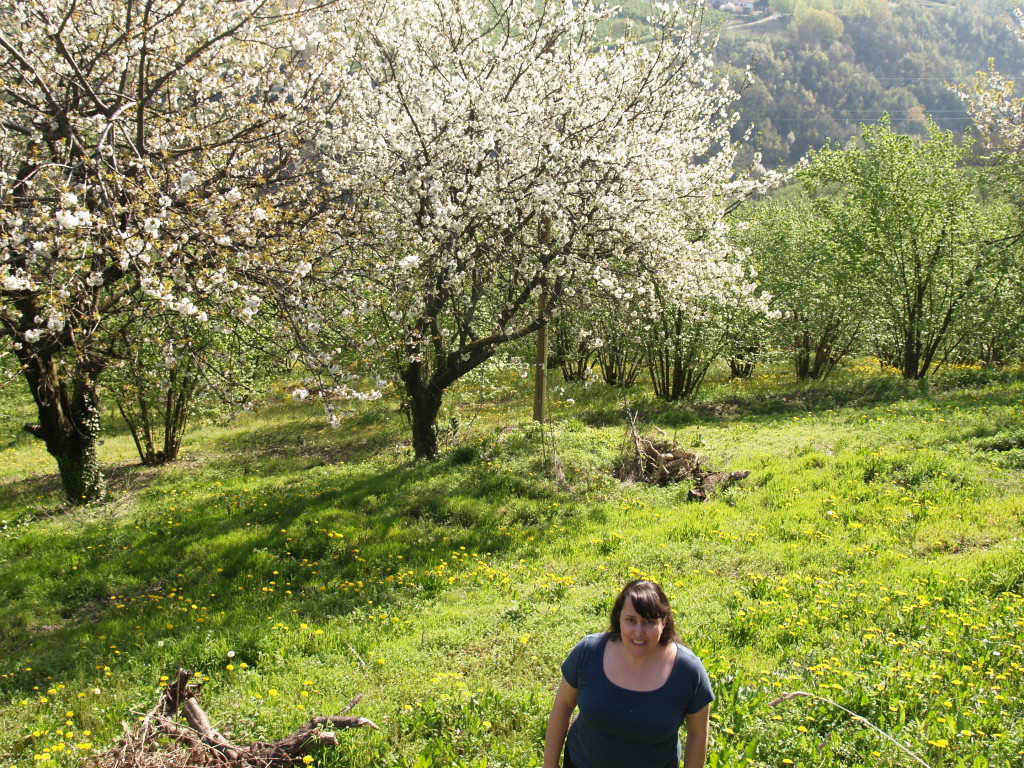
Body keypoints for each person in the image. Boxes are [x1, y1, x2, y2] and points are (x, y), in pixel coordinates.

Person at [543, 579, 713, 768]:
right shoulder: (589, 652)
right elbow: (563, 705)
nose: (639, 632)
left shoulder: (688, 671)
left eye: (649, 622)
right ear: (619, 618)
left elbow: (698, 733)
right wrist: (549, 764)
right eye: (631, 620)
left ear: (664, 622)